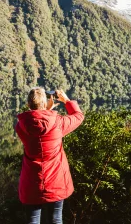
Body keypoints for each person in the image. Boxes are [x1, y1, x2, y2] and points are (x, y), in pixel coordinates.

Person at [15, 87, 84, 224]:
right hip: (56, 181)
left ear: (29, 104)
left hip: (31, 182)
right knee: (56, 219)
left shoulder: (21, 126)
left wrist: (46, 110)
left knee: (32, 221)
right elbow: (78, 116)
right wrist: (66, 100)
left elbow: (38, 124)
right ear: (45, 102)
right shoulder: (58, 123)